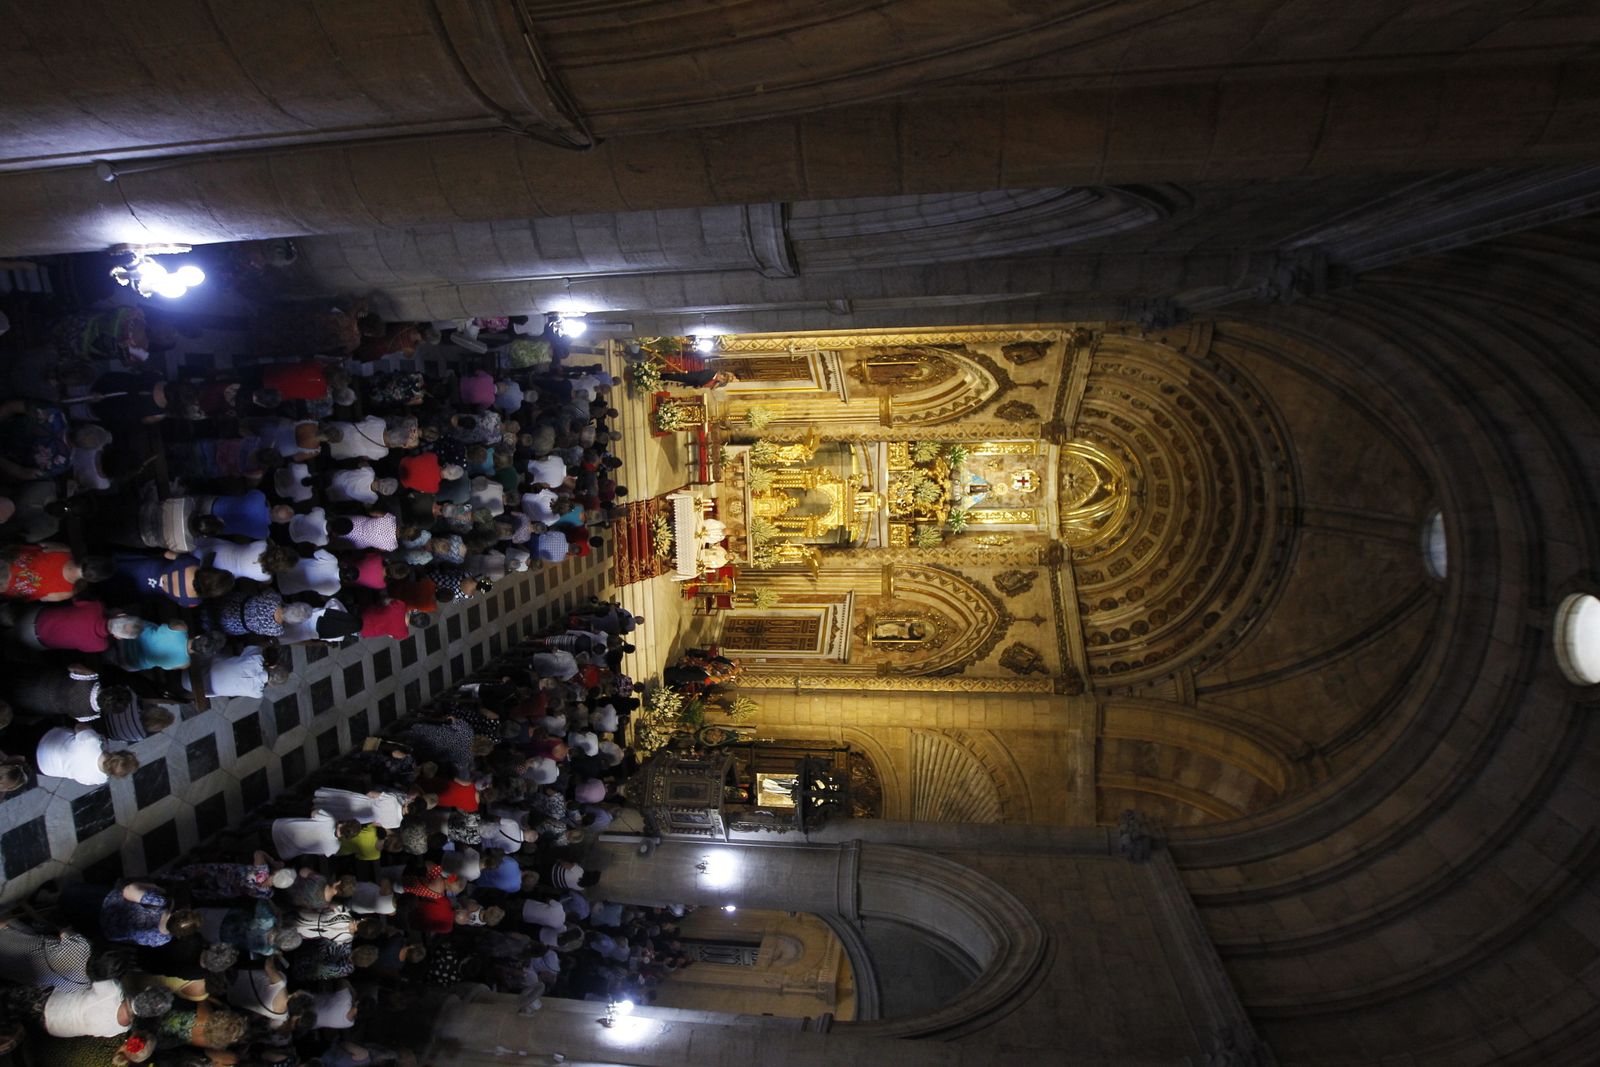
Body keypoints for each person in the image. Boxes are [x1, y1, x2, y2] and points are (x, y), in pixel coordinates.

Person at [34, 725, 138, 786]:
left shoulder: (92, 741)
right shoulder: (99, 780)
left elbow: (79, 726)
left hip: (44, 739)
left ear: (116, 753)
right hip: (43, 768)